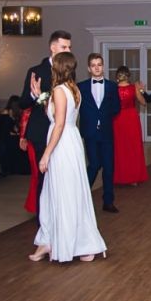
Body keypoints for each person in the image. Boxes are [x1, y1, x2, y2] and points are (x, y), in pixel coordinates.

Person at [29, 52, 107, 263]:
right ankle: (52, 241)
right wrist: (40, 97)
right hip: (70, 141)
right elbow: (55, 112)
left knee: (62, 194)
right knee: (61, 192)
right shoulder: (73, 89)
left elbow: (59, 123)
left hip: (61, 144)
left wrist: (46, 154)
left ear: (57, 68)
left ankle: (75, 244)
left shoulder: (59, 90)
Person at [18, 30, 72, 215]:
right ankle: (43, 221)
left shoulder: (68, 72)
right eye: (64, 47)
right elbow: (23, 103)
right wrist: (35, 95)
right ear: (53, 47)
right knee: (44, 176)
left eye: (69, 47)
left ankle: (58, 215)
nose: (68, 50)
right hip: (41, 131)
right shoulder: (36, 71)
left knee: (60, 176)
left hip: (61, 132)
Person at [77, 53, 122, 212]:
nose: (97, 68)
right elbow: (76, 108)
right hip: (89, 132)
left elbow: (116, 108)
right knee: (94, 164)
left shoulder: (112, 86)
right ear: (89, 68)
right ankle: (81, 199)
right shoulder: (81, 86)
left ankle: (108, 202)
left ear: (103, 66)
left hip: (106, 132)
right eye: (93, 65)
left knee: (109, 167)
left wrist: (104, 118)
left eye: (99, 65)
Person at [112, 65, 148, 186]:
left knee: (119, 148)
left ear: (117, 76)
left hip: (117, 118)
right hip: (131, 118)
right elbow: (143, 102)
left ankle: (119, 177)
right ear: (128, 76)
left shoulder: (113, 88)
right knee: (133, 147)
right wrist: (141, 90)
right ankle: (133, 177)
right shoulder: (134, 88)